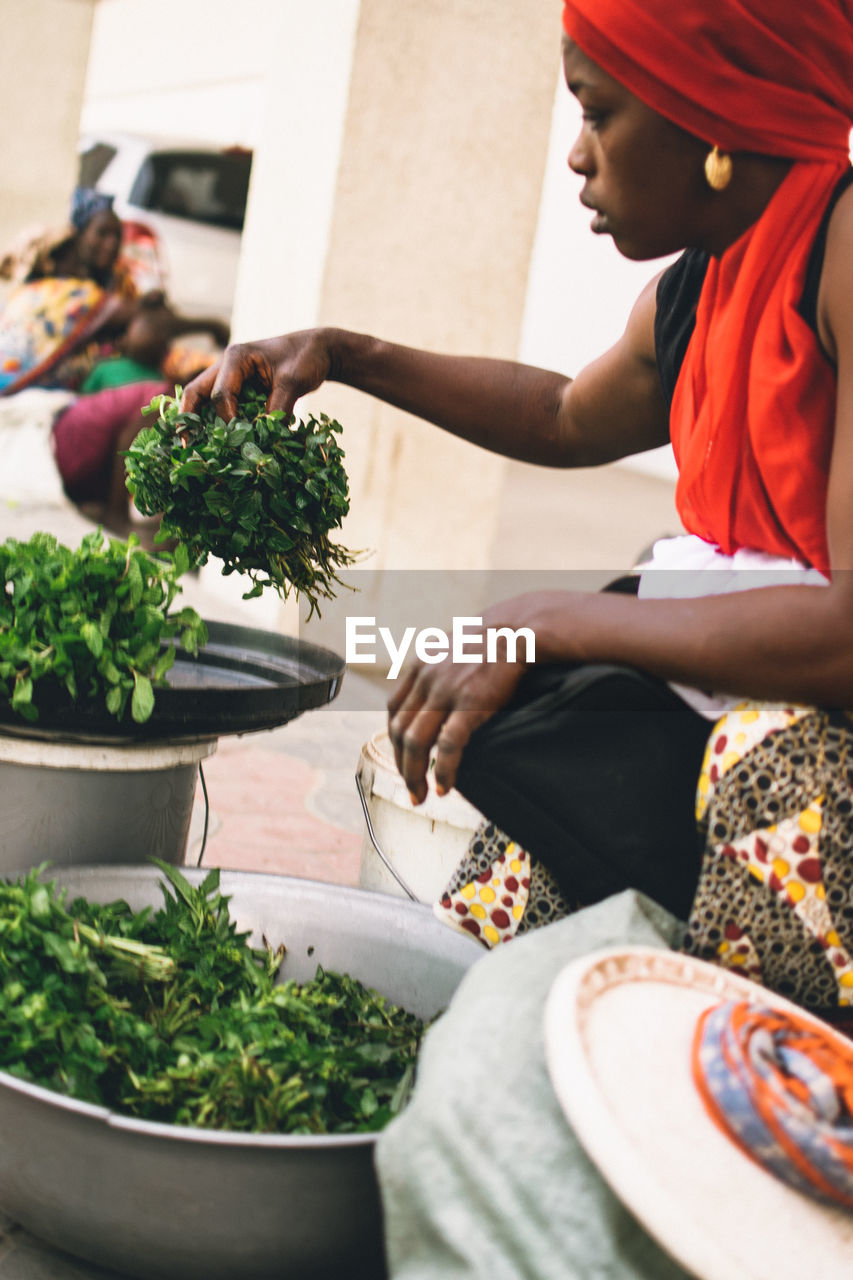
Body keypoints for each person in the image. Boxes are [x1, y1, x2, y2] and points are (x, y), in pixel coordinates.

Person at [181, 0, 853, 1272]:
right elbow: (558, 412)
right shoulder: (703, 283)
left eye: (598, 110)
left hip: (811, 772)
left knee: (694, 1086)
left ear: (715, 115)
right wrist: (345, 350)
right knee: (501, 975)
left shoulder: (843, 250)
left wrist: (545, 618)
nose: (576, 155)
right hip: (715, 706)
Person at [0, 187, 139, 395]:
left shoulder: (113, 282)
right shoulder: (63, 294)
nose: (111, 244)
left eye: (117, 236)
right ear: (78, 236)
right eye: (102, 233)